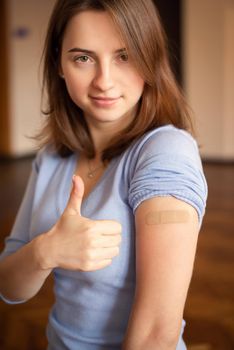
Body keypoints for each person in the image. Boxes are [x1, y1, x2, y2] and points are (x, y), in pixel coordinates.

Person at [0, 0, 208, 349]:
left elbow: (157, 331)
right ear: (60, 64)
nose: (104, 81)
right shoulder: (51, 157)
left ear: (150, 59)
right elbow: (8, 287)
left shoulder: (166, 152)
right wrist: (45, 251)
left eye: (124, 56)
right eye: (83, 58)